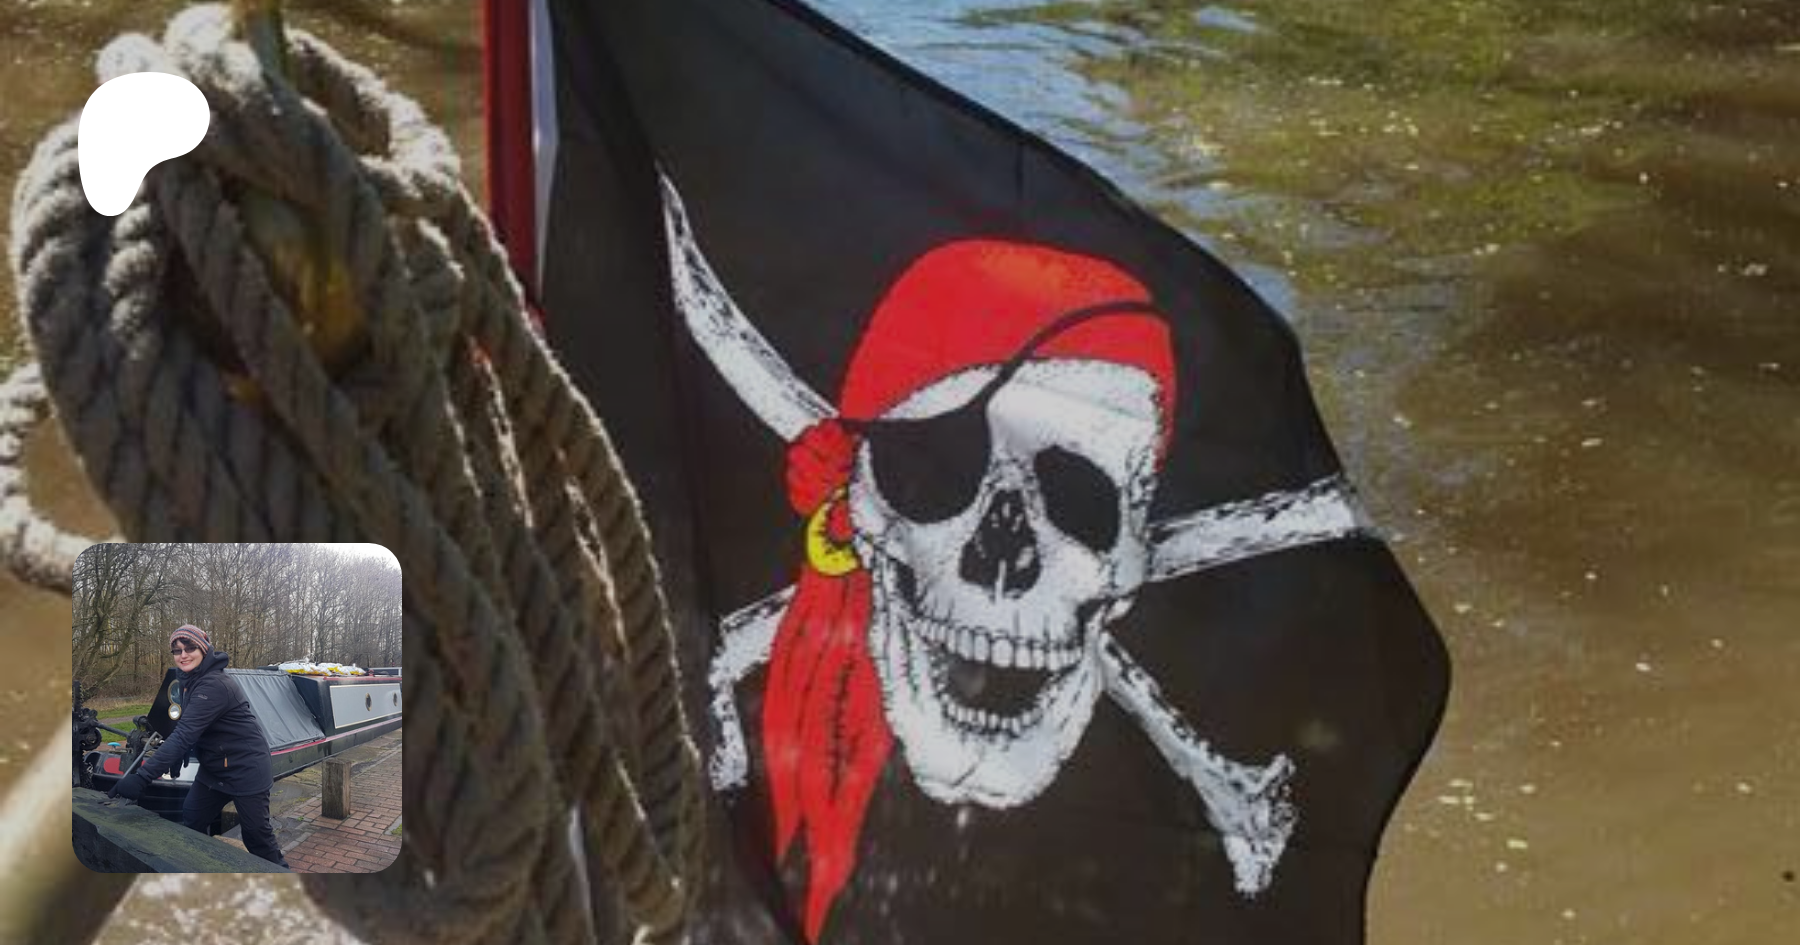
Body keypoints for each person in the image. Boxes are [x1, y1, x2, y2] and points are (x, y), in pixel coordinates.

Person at [108, 625, 289, 869]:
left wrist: (141, 778)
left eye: (190, 648)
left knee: (257, 838)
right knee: (193, 817)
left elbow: (184, 734)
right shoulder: (188, 679)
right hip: (214, 768)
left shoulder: (214, 684)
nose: (183, 655)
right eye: (177, 650)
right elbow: (192, 725)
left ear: (204, 650)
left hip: (246, 768)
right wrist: (178, 755)